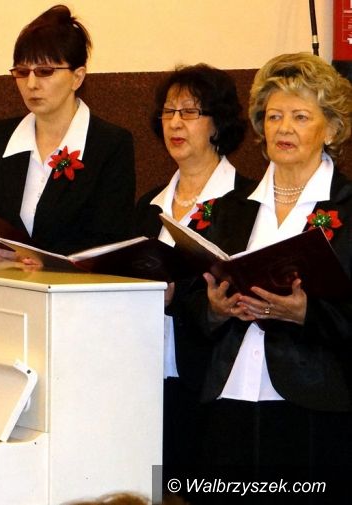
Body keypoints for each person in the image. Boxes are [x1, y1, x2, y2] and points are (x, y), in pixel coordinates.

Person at [186, 53, 352, 502]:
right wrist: (214, 309)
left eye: (301, 116)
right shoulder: (232, 208)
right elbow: (194, 305)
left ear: (331, 128)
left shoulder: (347, 208)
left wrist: (306, 314)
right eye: (274, 116)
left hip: (313, 406)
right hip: (229, 395)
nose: (284, 128)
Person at [133, 64, 248, 475]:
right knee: (151, 486)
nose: (175, 122)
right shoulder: (148, 206)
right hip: (146, 376)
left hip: (212, 380)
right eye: (168, 111)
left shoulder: (246, 203)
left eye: (189, 112)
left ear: (218, 122)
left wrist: (175, 298)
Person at [0, 4, 135, 258]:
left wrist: (35, 258)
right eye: (22, 72)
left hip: (72, 283)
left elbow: (110, 240)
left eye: (45, 71)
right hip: (2, 281)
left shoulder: (110, 144)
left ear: (77, 77)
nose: (31, 84)